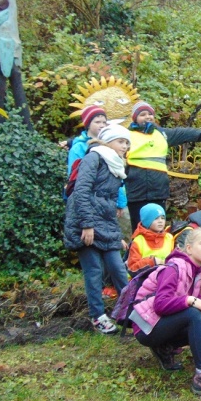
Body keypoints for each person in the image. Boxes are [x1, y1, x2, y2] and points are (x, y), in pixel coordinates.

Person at [129, 228, 201, 398]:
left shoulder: (197, 271)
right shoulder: (174, 268)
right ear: (189, 248)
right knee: (193, 314)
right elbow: (161, 305)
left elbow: (193, 299)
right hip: (146, 327)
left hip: (161, 321)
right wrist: (191, 301)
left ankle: (164, 348)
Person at [63, 124, 132, 334]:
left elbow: (109, 204)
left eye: (127, 143)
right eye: (121, 141)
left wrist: (116, 234)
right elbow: (81, 191)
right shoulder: (94, 158)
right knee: (93, 270)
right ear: (108, 141)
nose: (125, 146)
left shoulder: (116, 165)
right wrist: (87, 225)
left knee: (118, 268)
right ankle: (98, 316)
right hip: (84, 222)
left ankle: (131, 312)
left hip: (105, 223)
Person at [125, 100, 201, 226]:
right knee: (138, 228)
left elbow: (190, 134)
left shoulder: (162, 134)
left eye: (150, 114)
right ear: (135, 118)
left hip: (158, 192)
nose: (147, 117)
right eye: (142, 114)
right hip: (136, 192)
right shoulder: (126, 135)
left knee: (158, 228)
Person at [66, 105, 127, 214]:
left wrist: (121, 202)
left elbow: (117, 176)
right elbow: (75, 177)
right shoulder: (78, 147)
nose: (102, 125)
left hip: (109, 201)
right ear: (88, 124)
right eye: (97, 122)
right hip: (90, 202)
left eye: (104, 122)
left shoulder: (111, 145)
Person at [127, 203, 174, 273]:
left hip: (166, 276)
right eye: (156, 218)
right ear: (147, 221)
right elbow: (132, 269)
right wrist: (152, 262)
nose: (160, 221)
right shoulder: (139, 241)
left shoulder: (169, 238)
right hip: (145, 278)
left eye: (163, 218)